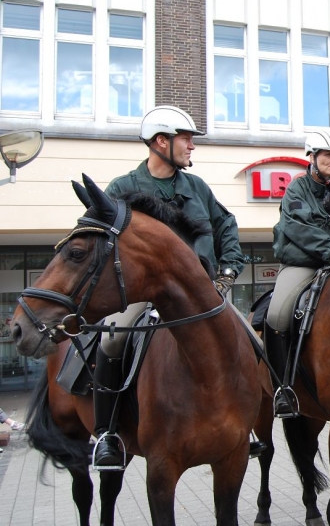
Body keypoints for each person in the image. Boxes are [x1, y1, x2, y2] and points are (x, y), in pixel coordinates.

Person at [93, 106, 247, 470]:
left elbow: (227, 225)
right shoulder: (122, 189)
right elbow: (104, 244)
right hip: (143, 296)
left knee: (245, 336)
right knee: (111, 340)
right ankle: (108, 433)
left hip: (200, 294)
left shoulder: (196, 187)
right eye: (186, 140)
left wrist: (226, 272)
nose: (192, 147)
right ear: (161, 142)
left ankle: (246, 423)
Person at [268, 131, 330, 413]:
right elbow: (300, 230)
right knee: (276, 315)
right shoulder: (296, 190)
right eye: (328, 155)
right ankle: (283, 387)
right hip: (302, 263)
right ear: (312, 157)